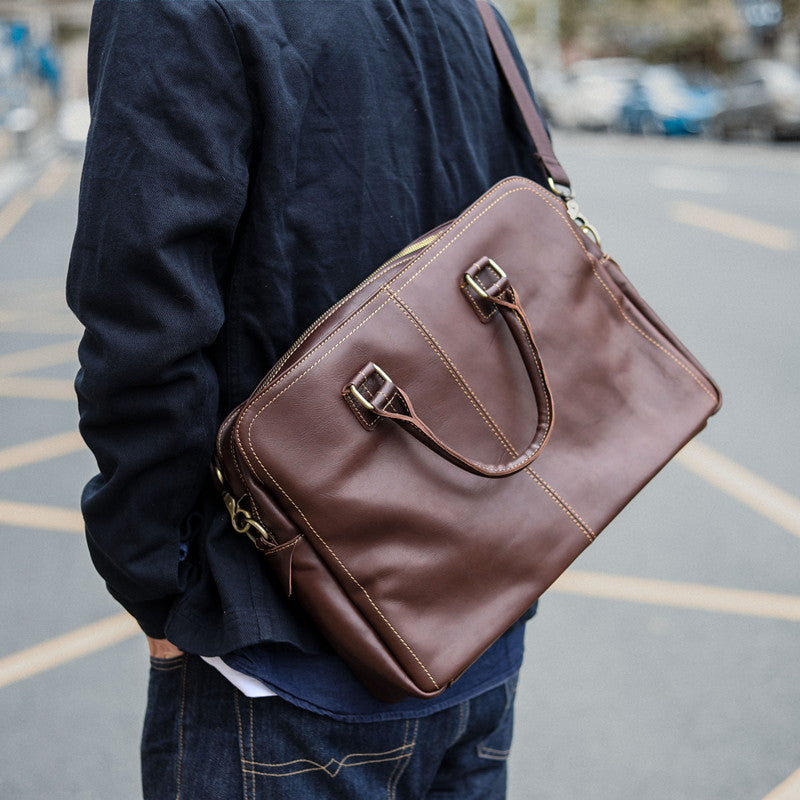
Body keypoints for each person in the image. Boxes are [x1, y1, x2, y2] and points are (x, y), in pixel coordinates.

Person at [67, 2, 551, 797]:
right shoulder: (472, 11)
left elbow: (141, 325)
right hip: (476, 624)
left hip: (281, 651)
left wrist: (165, 595)